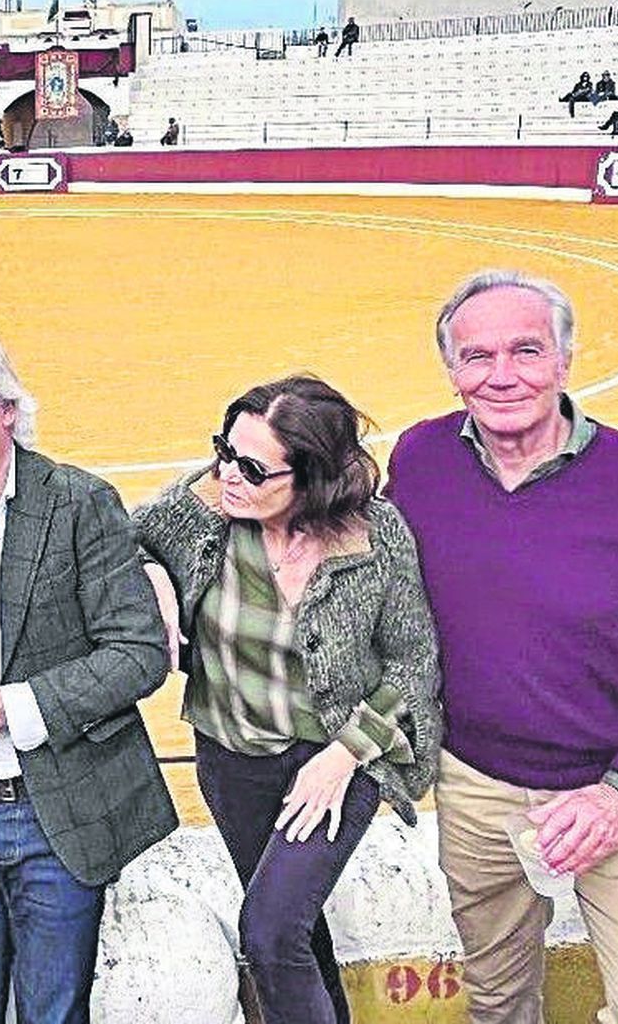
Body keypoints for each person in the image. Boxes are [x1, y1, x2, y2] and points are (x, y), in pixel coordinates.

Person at [385, 271, 618, 1024]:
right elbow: (318, 520)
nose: (502, 374)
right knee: (497, 1000)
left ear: (565, 359)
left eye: (526, 349)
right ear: (452, 372)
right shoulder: (418, 461)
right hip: (475, 790)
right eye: (476, 355)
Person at [0, 330, 177, 1024]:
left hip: (55, 810)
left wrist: (8, 708)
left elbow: (140, 651)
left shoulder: (78, 503)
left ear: (7, 410)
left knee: (53, 1013)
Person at [133, 376, 441, 1024]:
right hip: (231, 758)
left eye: (251, 466)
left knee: (270, 931)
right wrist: (157, 573)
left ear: (314, 476)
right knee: (293, 931)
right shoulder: (209, 503)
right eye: (224, 450)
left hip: (338, 758)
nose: (228, 474)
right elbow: (122, 541)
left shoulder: (377, 535)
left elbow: (414, 662)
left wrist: (342, 757)